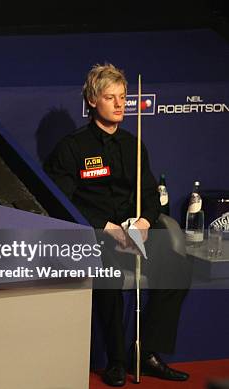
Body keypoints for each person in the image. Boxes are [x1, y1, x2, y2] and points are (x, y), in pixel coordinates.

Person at [44, 63, 190, 387]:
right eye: (112, 98)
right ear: (94, 100)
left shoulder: (134, 145)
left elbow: (151, 196)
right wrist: (105, 227)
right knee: (108, 275)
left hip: (135, 229)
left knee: (178, 267)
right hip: (97, 233)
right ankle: (116, 361)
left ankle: (147, 354)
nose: (121, 104)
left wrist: (144, 221)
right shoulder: (72, 148)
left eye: (123, 97)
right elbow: (62, 203)